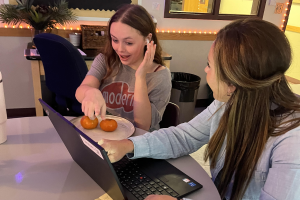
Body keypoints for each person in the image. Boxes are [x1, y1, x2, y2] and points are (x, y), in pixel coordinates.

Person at [98, 18, 300, 200]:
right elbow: (184, 137)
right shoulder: (227, 102)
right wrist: (129, 145)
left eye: (209, 65)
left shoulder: (292, 142)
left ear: (233, 83)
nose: (205, 71)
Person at [75, 5, 172, 131]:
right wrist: (89, 92)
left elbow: (143, 126)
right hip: (103, 138)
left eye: (129, 43)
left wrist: (140, 76)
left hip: (137, 144)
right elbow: (80, 91)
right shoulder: (105, 60)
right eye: (115, 40)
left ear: (147, 39)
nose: (120, 49)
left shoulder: (160, 76)